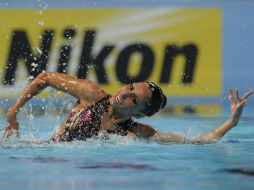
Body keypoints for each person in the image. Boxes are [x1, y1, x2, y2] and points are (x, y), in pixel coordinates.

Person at [1, 71, 253, 143]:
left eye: (135, 99)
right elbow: (45, 78)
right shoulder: (92, 95)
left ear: (141, 112)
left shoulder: (136, 133)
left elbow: (197, 141)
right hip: (44, 151)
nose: (124, 94)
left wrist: (231, 122)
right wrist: (14, 110)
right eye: (130, 87)